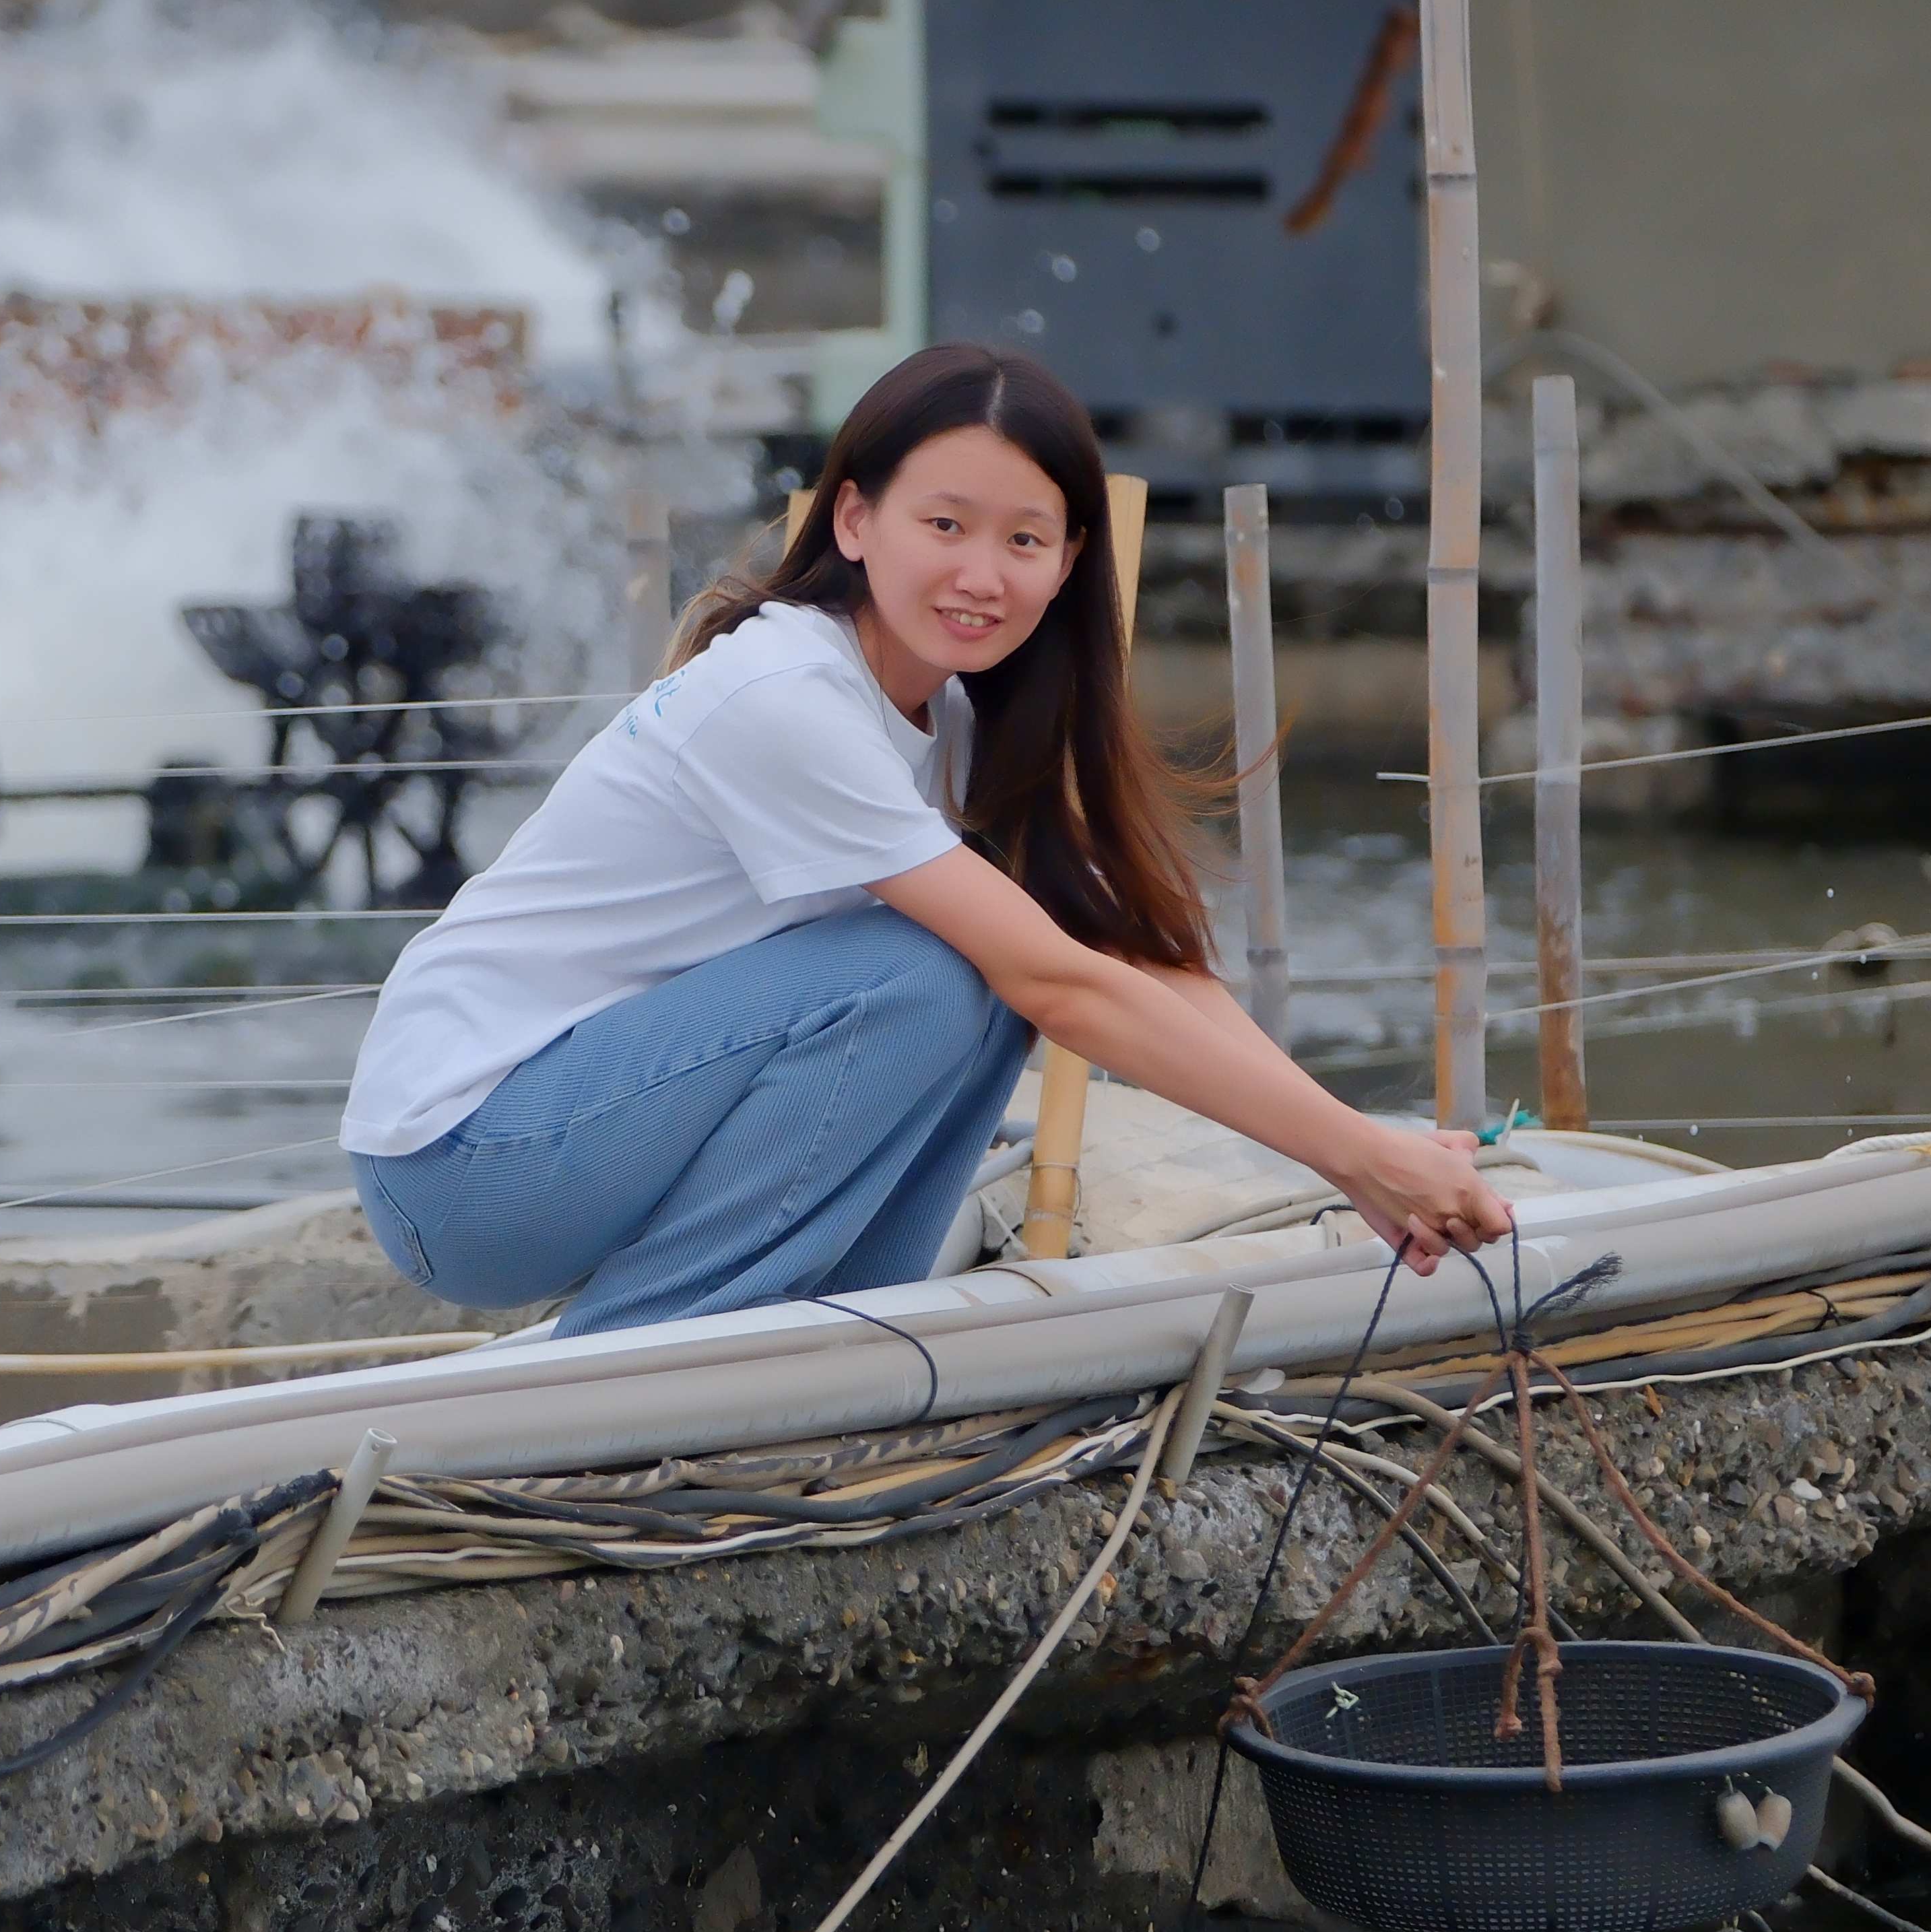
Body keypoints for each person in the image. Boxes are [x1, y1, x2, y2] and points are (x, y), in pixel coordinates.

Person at [342, 341, 1513, 1336]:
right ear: (853, 517)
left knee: (986, 971)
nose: (978, 573)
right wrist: (1349, 1158)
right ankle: (635, 1369)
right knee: (934, 971)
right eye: (942, 523)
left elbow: (1137, 964)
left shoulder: (956, 717)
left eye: (1023, 540)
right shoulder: (784, 694)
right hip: (463, 1158)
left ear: (1067, 564)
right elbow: (1064, 985)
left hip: (581, 1131)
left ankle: (849, 1342)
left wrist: (1364, 1143)